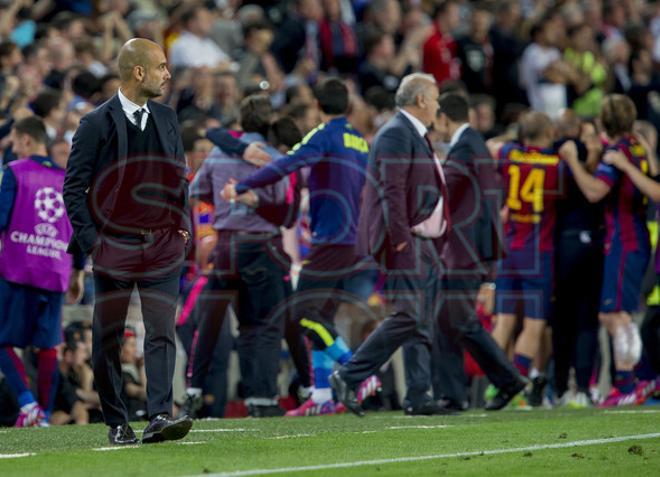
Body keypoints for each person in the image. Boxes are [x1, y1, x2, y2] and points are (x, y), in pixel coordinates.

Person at [63, 38, 193, 445]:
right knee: (108, 336)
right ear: (139, 72)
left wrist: (182, 223)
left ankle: (158, 415)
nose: (167, 74)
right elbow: (73, 189)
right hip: (114, 245)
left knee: (160, 332)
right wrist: (93, 242)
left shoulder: (169, 118)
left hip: (161, 245)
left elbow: (179, 176)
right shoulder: (96, 123)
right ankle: (117, 421)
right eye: (161, 66)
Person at [225, 78, 380, 417]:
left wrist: (243, 186)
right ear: (348, 107)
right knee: (321, 317)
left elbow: (286, 164)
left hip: (331, 240)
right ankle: (323, 396)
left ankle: (358, 372)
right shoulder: (360, 142)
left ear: (317, 106)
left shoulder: (323, 135)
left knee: (301, 314)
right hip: (353, 240)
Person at [331, 73, 451, 416]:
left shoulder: (411, 133)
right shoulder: (397, 133)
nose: (438, 106)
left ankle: (418, 394)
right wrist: (400, 241)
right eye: (436, 98)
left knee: (422, 318)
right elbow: (391, 191)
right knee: (409, 315)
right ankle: (349, 376)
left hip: (421, 239)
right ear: (422, 100)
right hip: (406, 239)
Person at [185, 94, 292, 418]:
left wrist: (224, 204)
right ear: (270, 120)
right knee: (263, 324)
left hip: (227, 244)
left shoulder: (217, 154)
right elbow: (283, 210)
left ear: (241, 122)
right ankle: (262, 397)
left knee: (220, 323)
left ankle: (194, 389)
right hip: (262, 245)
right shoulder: (274, 157)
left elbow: (196, 193)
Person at [431, 93, 525, 412]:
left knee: (459, 321)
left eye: (436, 120)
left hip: (464, 251)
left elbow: (444, 185)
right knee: (447, 321)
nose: (435, 127)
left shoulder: (466, 147)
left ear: (444, 117)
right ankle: (454, 394)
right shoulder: (474, 143)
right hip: (468, 249)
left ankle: (507, 379)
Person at [561, 94, 651, 406]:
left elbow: (595, 191)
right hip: (630, 237)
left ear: (604, 120)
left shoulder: (617, 154)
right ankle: (630, 381)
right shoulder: (636, 145)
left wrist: (573, 161)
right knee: (612, 313)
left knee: (615, 315)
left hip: (625, 239)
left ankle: (629, 382)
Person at [0, 116, 84, 427]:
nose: (12, 147)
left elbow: (1, 220)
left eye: (13, 140)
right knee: (48, 345)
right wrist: (78, 273)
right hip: (56, 270)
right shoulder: (67, 179)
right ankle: (45, 416)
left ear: (24, 140)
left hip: (18, 269)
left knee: (3, 342)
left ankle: (28, 404)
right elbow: (79, 228)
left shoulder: (14, 172)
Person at [489, 112, 563, 403]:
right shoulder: (556, 165)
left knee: (503, 322)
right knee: (534, 324)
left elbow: (493, 145)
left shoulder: (509, 155)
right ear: (548, 134)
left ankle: (495, 382)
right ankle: (516, 381)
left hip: (508, 251)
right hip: (538, 252)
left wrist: (516, 140)